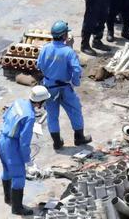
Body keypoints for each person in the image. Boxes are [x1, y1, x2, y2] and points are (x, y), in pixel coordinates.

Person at [37, 21, 91, 150]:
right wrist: (75, 82)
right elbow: (77, 70)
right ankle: (79, 138)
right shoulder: (68, 52)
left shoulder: (45, 48)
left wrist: (49, 74)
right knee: (75, 110)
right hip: (65, 88)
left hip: (49, 87)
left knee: (52, 114)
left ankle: (57, 142)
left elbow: (38, 65)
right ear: (64, 35)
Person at [0, 85, 50, 216]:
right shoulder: (30, 117)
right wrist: (28, 161)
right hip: (12, 145)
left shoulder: (18, 102)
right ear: (39, 102)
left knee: (6, 170)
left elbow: (5, 117)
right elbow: (24, 142)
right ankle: (17, 208)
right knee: (19, 176)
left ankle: (8, 198)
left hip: (2, 139)